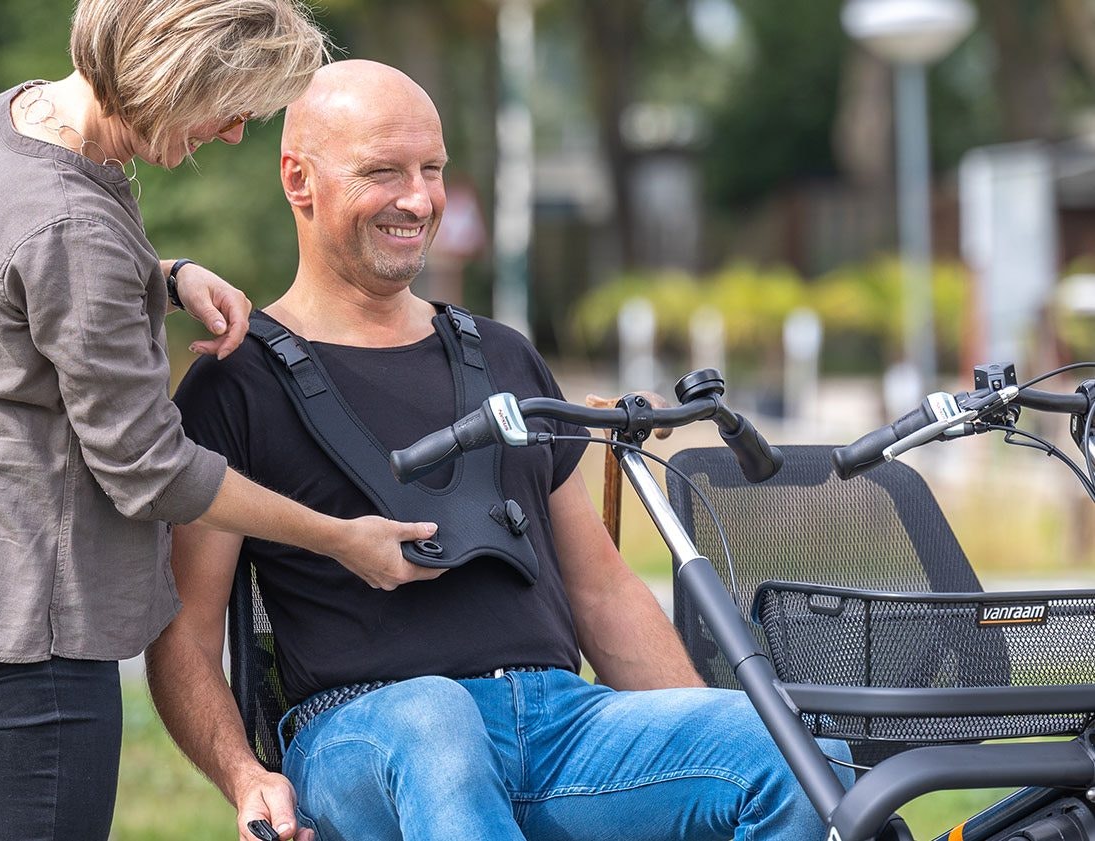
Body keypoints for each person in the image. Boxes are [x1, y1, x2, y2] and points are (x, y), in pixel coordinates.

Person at [149, 59, 853, 841]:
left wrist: (693, 722)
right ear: (298, 180)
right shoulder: (235, 383)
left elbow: (601, 591)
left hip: (559, 722)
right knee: (436, 718)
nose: (418, 199)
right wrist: (245, 777)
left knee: (800, 756)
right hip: (366, 731)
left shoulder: (506, 358)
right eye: (382, 172)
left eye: (432, 170)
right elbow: (183, 631)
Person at [0, 7, 438, 841]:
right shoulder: (73, 229)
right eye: (231, 109)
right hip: (31, 621)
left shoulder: (17, 118)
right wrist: (335, 535)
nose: (229, 136)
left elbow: (21, 265)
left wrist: (164, 274)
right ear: (176, 76)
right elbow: (152, 470)